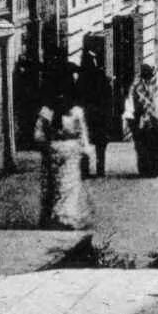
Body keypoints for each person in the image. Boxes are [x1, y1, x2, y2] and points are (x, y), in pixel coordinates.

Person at [33, 93, 93, 230]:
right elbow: (82, 134)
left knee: (53, 185)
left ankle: (54, 217)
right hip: (71, 150)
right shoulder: (76, 112)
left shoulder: (46, 112)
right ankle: (67, 217)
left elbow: (38, 136)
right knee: (69, 185)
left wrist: (47, 146)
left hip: (53, 150)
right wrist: (85, 150)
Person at [76, 48, 112, 177]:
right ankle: (100, 169)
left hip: (87, 114)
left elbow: (77, 97)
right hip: (98, 114)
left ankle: (85, 170)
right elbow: (108, 97)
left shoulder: (81, 78)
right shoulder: (101, 76)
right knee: (100, 144)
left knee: (84, 141)